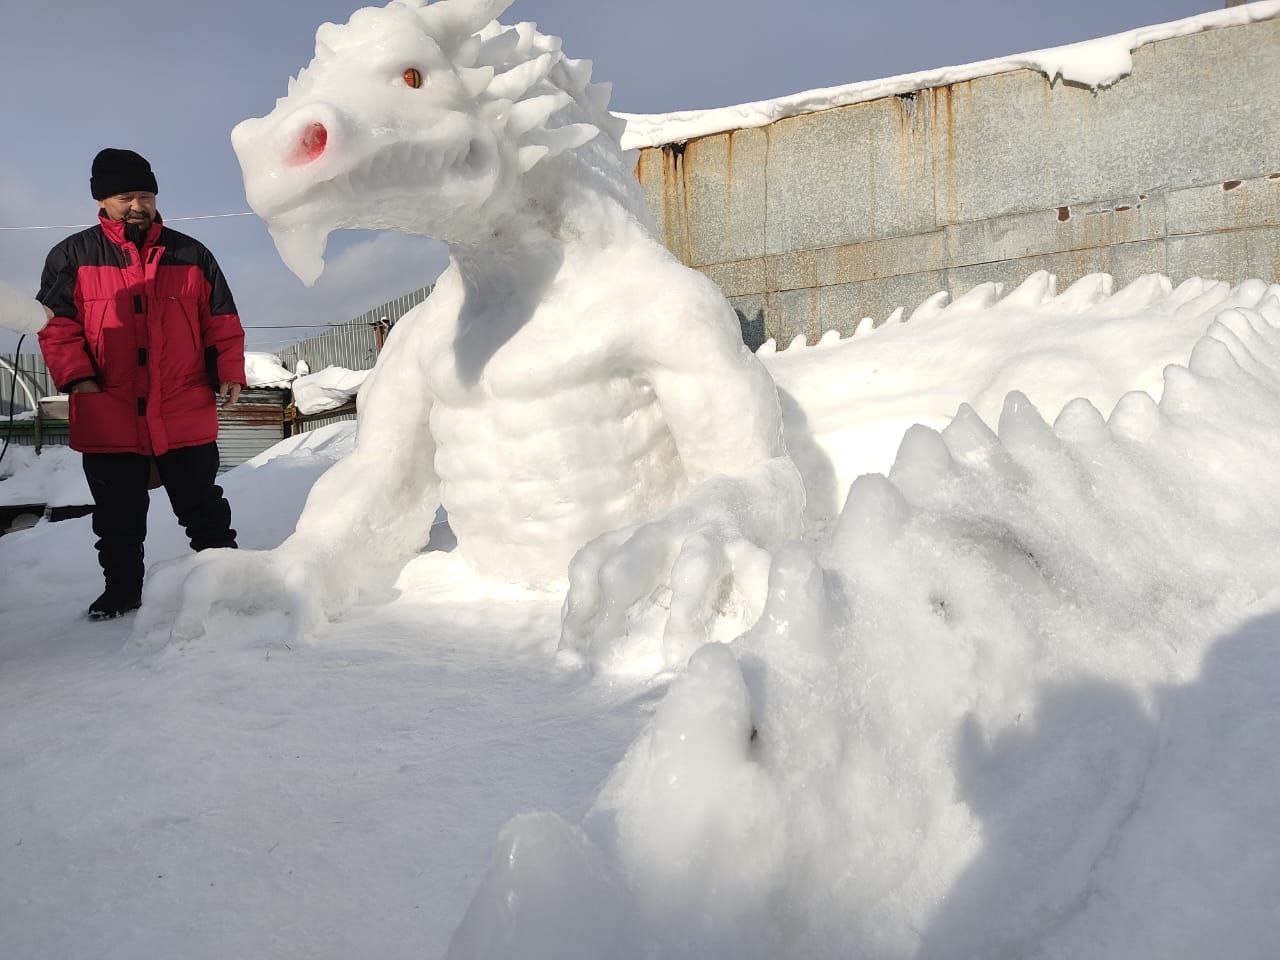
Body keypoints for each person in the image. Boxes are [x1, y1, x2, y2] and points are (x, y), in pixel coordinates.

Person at [37, 148, 247, 620]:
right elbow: (57, 326)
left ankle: (228, 583)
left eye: (146, 195)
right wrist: (79, 381)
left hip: (183, 402)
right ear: (103, 200)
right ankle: (122, 591)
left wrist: (230, 368)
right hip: (107, 407)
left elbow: (222, 321)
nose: (137, 205)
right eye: (125, 196)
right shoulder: (70, 256)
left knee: (204, 507)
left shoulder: (191, 253)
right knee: (118, 518)